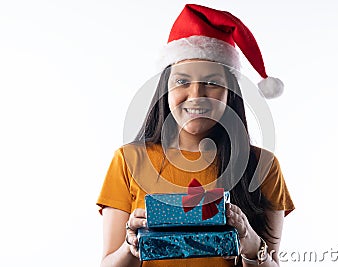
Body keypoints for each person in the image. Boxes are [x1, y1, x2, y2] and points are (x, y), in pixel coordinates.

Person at [97, 4, 294, 267]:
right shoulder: (128, 160)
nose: (196, 95)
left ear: (230, 92)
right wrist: (131, 244)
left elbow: (272, 262)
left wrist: (248, 241)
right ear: (165, 89)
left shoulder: (262, 166)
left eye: (212, 82)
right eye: (181, 81)